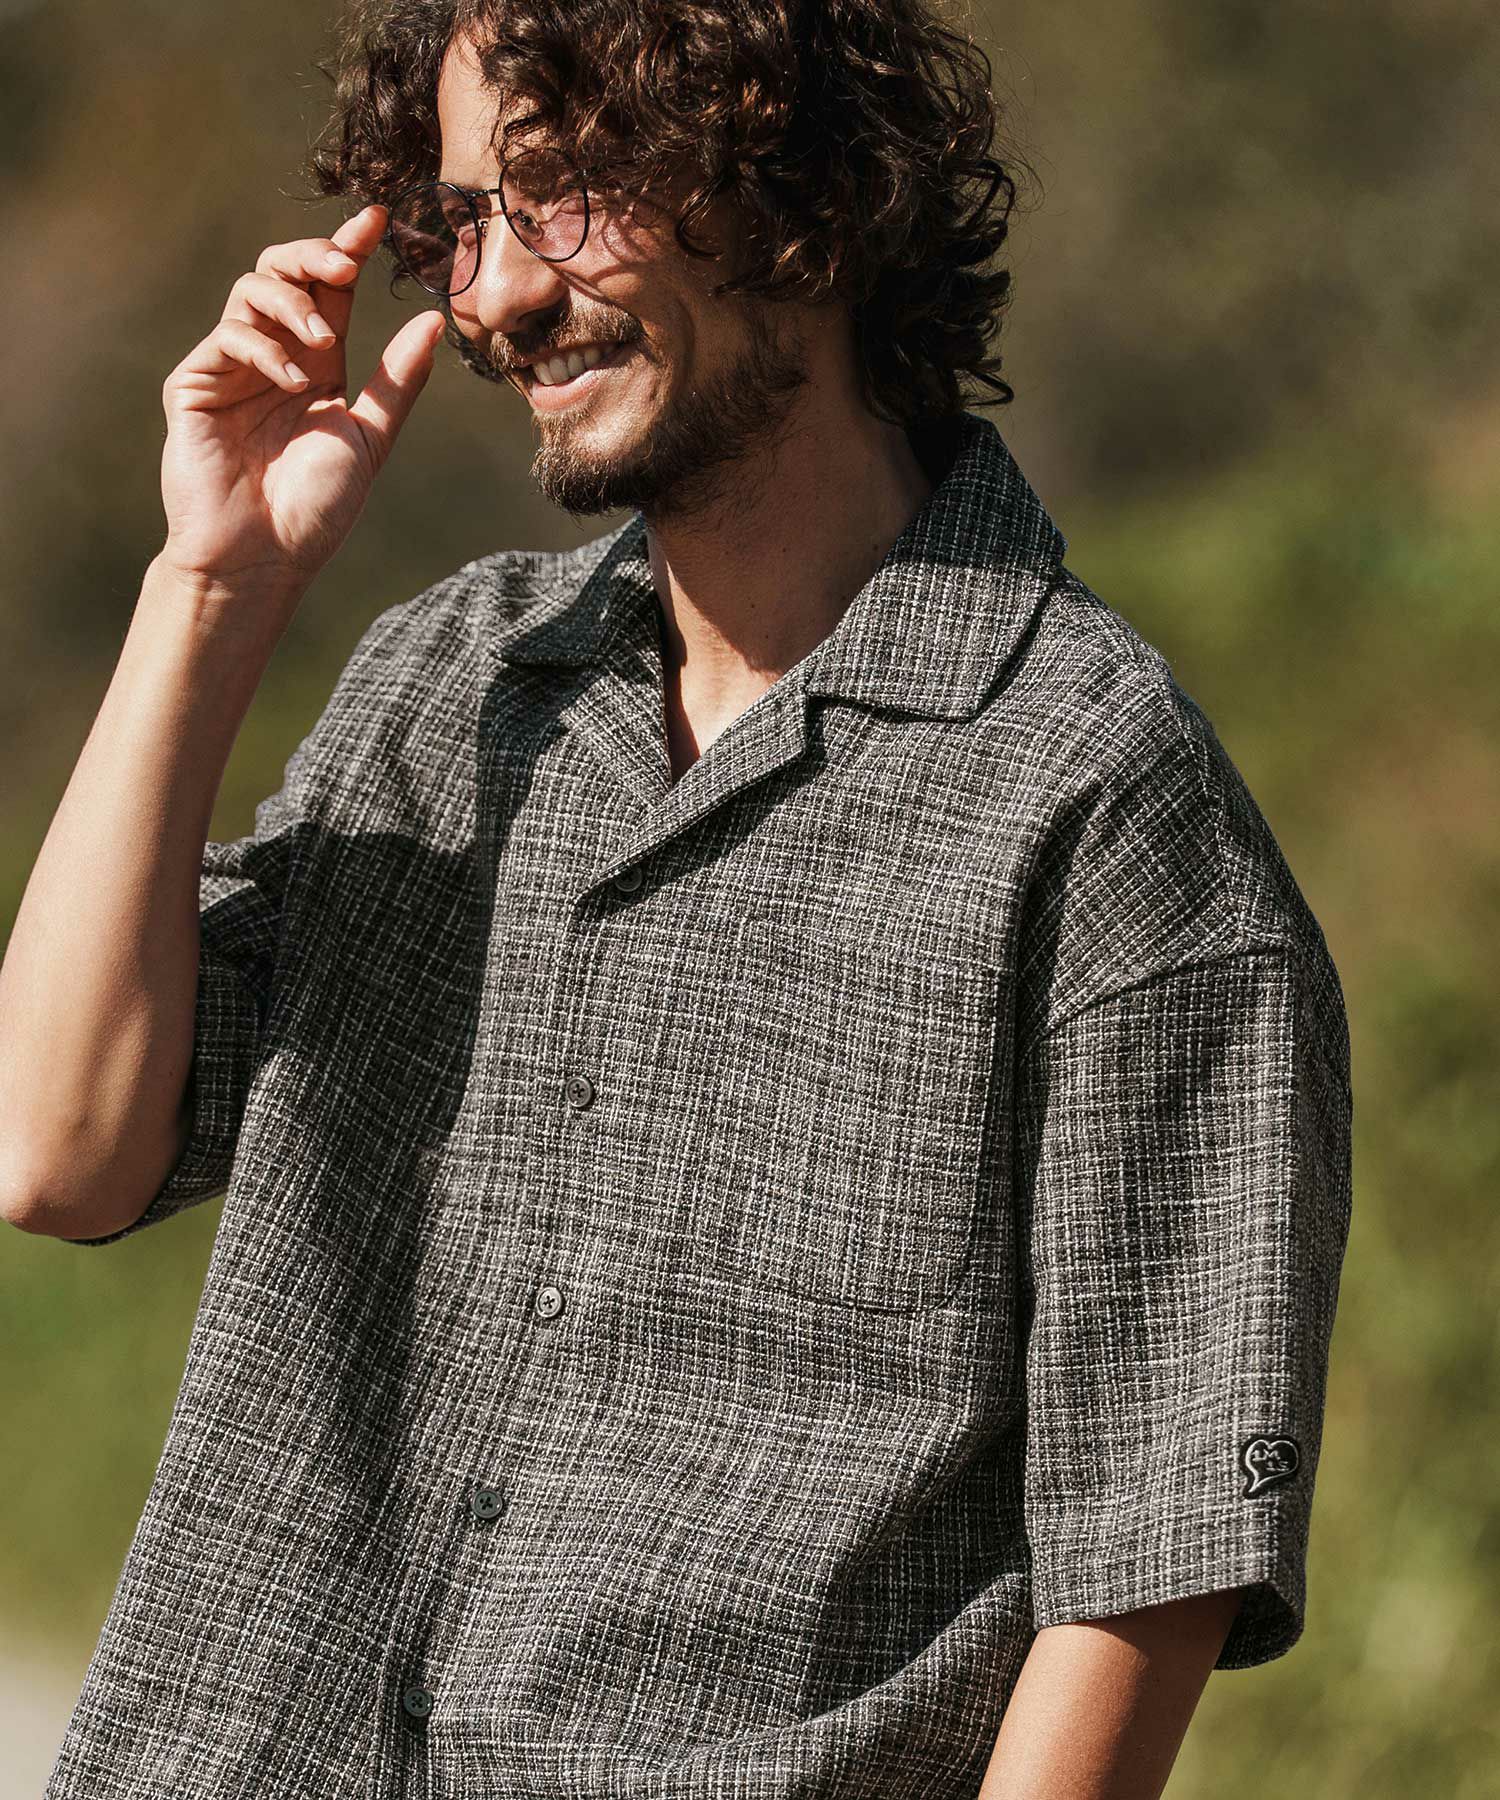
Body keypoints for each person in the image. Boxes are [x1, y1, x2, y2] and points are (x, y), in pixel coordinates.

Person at [1, 2, 1353, 1796]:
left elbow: (1147, 1572)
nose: (491, 295)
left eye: (562, 188)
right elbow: (59, 1150)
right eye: (463, 219)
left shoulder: (1100, 797)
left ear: (795, 175)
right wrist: (210, 585)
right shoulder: (446, 690)